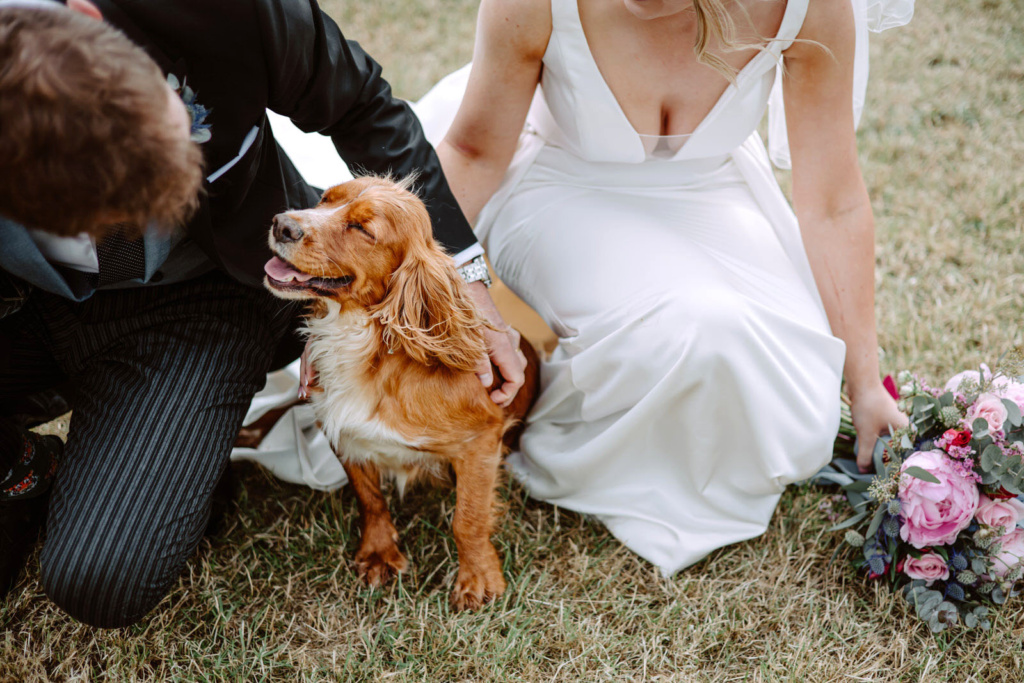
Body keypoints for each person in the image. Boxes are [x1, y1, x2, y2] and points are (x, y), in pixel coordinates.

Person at [0, 0, 525, 627]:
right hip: (21, 305)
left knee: (99, 581)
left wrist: (470, 289)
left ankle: (161, 454)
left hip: (200, 295)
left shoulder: (228, 12)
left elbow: (365, 109)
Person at [413, 0, 913, 574]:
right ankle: (551, 418)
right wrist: (412, 289)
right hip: (560, 183)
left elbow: (833, 201)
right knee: (698, 327)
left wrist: (867, 385)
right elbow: (474, 154)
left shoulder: (809, 7)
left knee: (802, 406)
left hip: (712, 188)